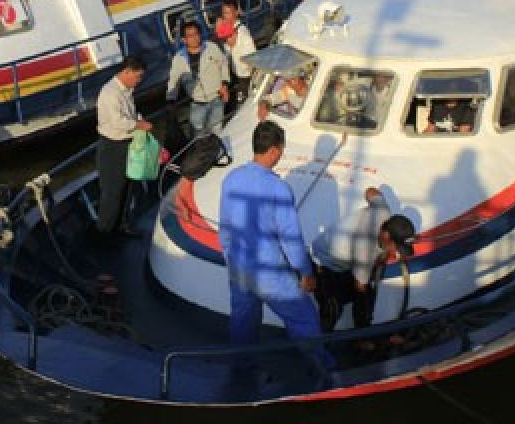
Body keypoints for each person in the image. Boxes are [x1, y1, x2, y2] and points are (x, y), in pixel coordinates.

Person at [218, 120, 329, 363]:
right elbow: (291, 238)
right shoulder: (279, 188)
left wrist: (228, 255)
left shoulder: (231, 179)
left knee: (243, 321)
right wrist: (306, 272)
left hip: (239, 265)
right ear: (274, 151)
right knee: (304, 318)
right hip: (269, 271)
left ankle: (240, 368)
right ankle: (323, 370)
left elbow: (225, 226)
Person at [312, 188, 408, 332]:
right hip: (325, 261)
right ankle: (322, 341)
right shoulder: (364, 250)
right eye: (396, 247)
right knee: (334, 307)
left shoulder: (382, 211)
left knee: (364, 290)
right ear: (387, 236)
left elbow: (370, 192)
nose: (397, 253)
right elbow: (360, 287)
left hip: (346, 252)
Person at [94, 56, 152, 236]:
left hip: (128, 144)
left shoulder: (126, 91)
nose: (139, 81)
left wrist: (140, 120)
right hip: (113, 147)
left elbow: (131, 113)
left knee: (127, 187)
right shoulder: (110, 93)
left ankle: (121, 225)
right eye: (137, 76)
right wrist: (138, 125)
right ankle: (105, 232)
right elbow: (117, 121)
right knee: (112, 192)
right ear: (126, 72)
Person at [167, 20, 230, 136]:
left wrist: (225, 84)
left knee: (217, 131)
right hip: (197, 103)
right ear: (183, 39)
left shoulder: (211, 47)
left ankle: (218, 152)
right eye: (190, 36)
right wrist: (171, 100)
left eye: (196, 34)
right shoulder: (178, 58)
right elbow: (173, 80)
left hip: (216, 98)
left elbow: (224, 63)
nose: (194, 38)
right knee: (199, 135)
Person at [216, 1, 256, 106]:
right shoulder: (226, 29)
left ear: (236, 12)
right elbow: (227, 50)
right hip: (235, 73)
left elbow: (252, 56)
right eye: (224, 13)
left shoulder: (243, 33)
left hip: (245, 76)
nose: (226, 16)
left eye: (229, 13)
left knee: (243, 104)